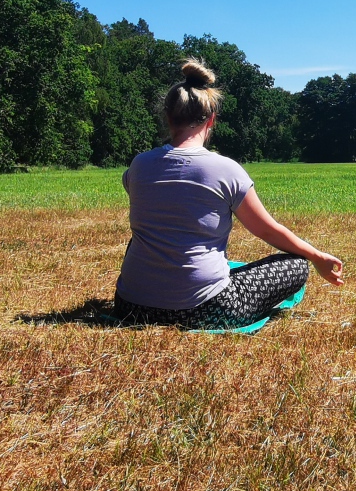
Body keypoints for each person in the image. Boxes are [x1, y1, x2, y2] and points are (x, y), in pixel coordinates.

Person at [113, 59, 343, 330]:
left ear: (168, 117)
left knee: (142, 236)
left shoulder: (139, 165)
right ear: (211, 119)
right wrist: (316, 256)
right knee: (297, 266)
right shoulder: (225, 169)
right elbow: (267, 230)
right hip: (203, 309)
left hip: (131, 306)